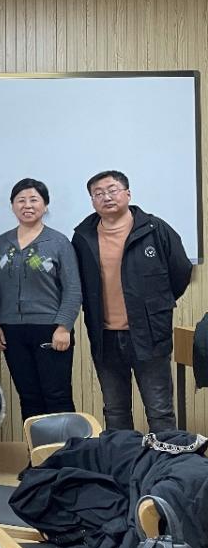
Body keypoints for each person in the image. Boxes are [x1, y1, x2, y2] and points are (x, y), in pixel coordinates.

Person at [72, 170, 191, 433]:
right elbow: (76, 282)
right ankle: (123, 459)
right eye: (98, 193)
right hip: (105, 336)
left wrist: (157, 305)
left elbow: (181, 270)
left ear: (128, 193)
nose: (106, 197)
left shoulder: (155, 229)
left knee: (159, 410)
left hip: (150, 333)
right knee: (115, 411)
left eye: (112, 190)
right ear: (92, 201)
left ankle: (164, 459)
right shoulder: (83, 236)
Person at [0, 179, 82, 427]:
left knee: (57, 396)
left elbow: (73, 289)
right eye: (21, 200)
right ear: (12, 205)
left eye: (34, 200)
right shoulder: (1, 243)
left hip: (50, 329)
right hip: (11, 330)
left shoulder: (59, 242)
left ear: (45, 205)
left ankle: (66, 451)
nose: (27, 205)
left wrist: (64, 327)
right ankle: (37, 450)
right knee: (28, 397)